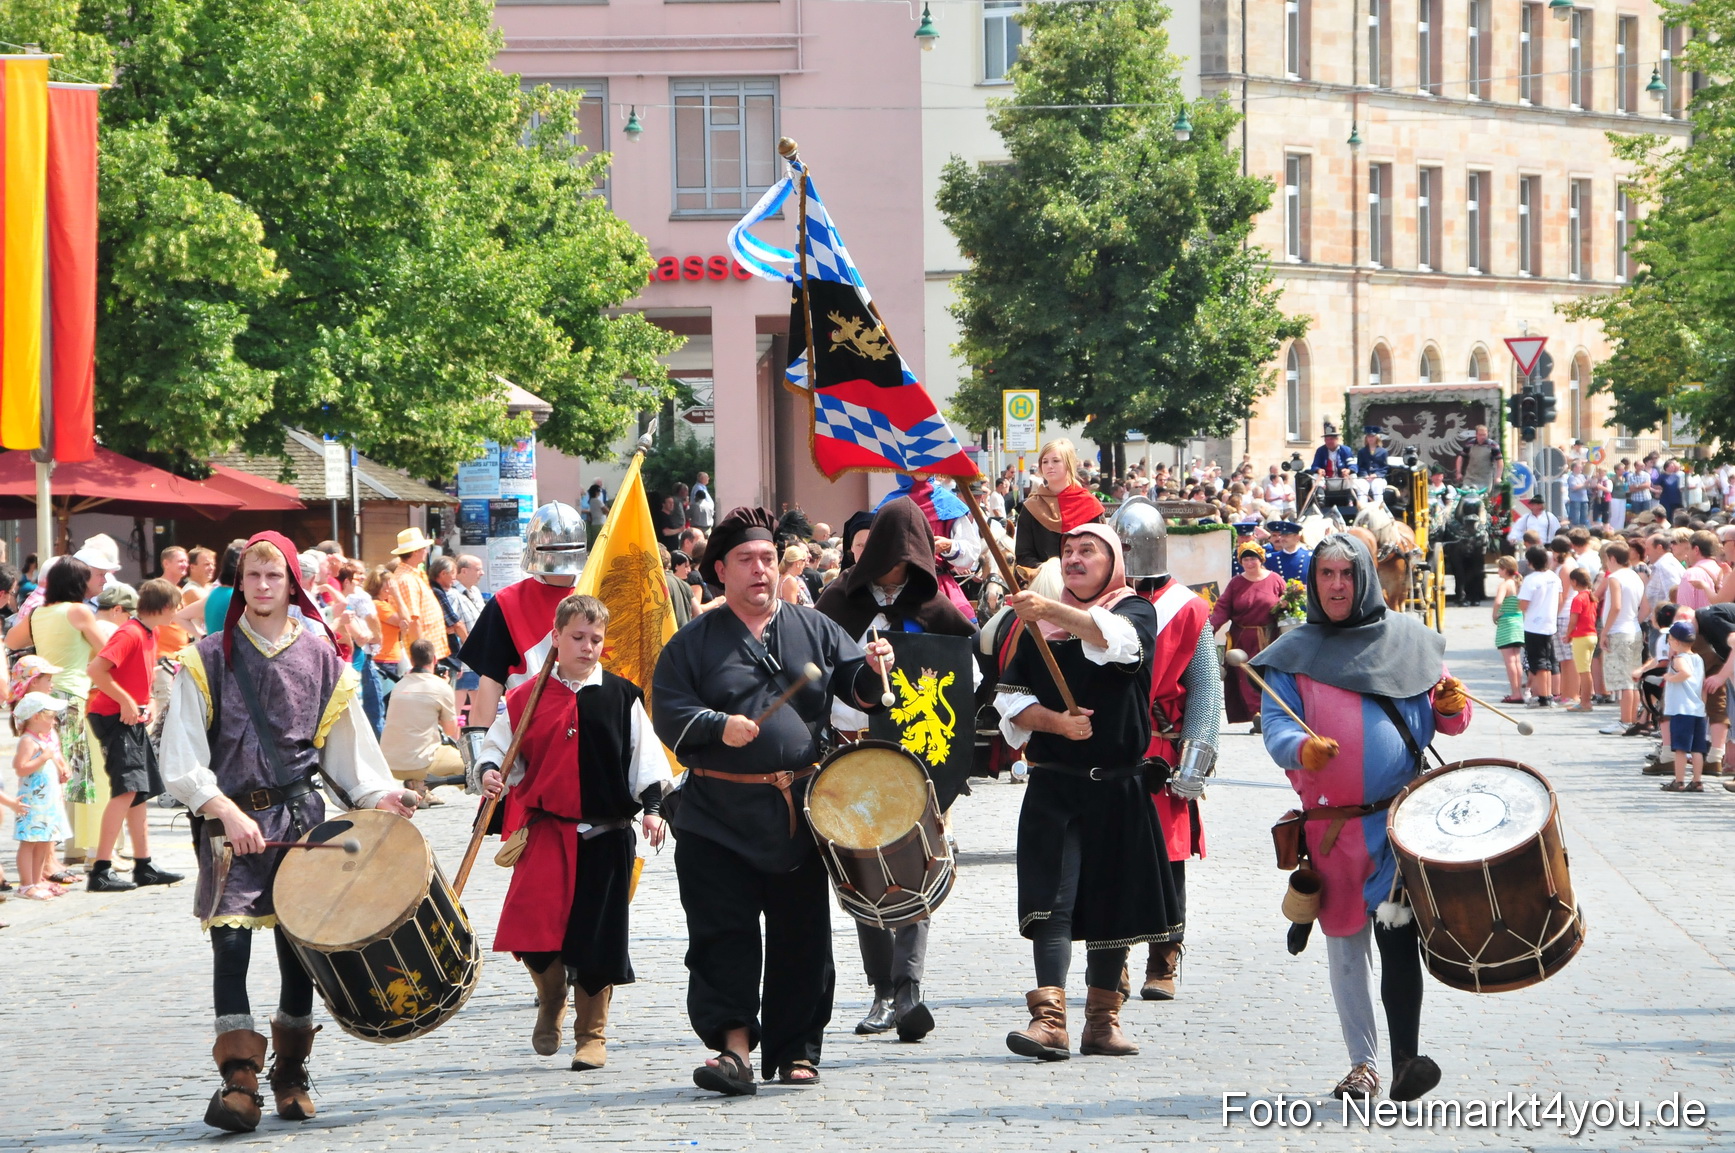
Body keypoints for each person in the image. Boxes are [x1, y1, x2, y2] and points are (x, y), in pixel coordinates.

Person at [159, 532, 418, 1133]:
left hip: (301, 820)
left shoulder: (321, 655)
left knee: (298, 947)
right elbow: (183, 755)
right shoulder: (207, 657)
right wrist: (221, 807)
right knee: (231, 944)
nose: (263, 587)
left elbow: (347, 749)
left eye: (273, 576)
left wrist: (381, 793)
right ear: (239, 582)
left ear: (291, 581)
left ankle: (291, 1074)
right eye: (252, 576)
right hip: (232, 823)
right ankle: (239, 1080)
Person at [651, 505, 894, 1095]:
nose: (760, 570)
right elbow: (669, 711)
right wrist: (716, 725)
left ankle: (795, 1051)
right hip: (716, 818)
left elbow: (855, 691)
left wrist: (873, 670)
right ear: (721, 570)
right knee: (722, 937)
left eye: (766, 558)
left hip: (798, 818)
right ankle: (732, 1050)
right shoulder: (693, 642)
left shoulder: (812, 627)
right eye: (746, 560)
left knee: (801, 938)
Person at [1252, 534, 1470, 1102]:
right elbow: (1277, 728)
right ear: (1314, 580)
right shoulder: (1293, 653)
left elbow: (1449, 718)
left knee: (1397, 937)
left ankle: (1404, 1062)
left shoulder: (1413, 643)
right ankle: (1362, 1065)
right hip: (1333, 832)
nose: (1337, 585)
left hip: (1398, 822)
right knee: (1346, 946)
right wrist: (1302, 750)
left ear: (1366, 578)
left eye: (1347, 574)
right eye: (1326, 574)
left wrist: (1453, 707)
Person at [994, 524, 1181, 1062]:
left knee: (1114, 903)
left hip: (1117, 787)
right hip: (1055, 785)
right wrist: (1054, 721)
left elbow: (1117, 642)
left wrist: (1049, 613)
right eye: (1067, 551)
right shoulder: (1039, 628)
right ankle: (1048, 1020)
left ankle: (1102, 1021)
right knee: (1052, 898)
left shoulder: (1134, 610)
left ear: (1113, 560)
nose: (1074, 559)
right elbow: (1010, 700)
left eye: (1087, 551)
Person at [478, 593, 674, 1070]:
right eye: (578, 637)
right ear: (556, 638)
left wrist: (652, 809)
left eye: (596, 639)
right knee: (532, 931)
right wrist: (489, 772)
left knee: (597, 938)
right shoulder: (525, 697)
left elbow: (646, 761)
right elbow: (499, 750)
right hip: (546, 831)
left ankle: (592, 1034)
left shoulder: (621, 696)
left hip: (606, 836)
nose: (588, 647)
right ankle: (550, 998)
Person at [813, 496, 977, 1042]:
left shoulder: (936, 606)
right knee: (865, 870)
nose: (898, 571)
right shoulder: (836, 602)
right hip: (853, 749)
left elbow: (965, 669)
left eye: (910, 561)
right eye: (893, 558)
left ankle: (909, 989)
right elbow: (816, 673)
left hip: (917, 757)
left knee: (917, 865)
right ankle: (882, 989)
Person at [1109, 496, 1222, 1003]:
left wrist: (1195, 761)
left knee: (1166, 860)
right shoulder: (1098, 603)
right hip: (1109, 746)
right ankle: (1113, 958)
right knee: (1109, 857)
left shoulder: (1189, 608)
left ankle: (1165, 954)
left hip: (1159, 749)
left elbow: (1205, 691)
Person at [457, 503, 588, 770]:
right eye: (551, 547)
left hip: (592, 739)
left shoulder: (600, 592)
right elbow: (490, 686)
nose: (558, 555)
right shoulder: (506, 604)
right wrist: (481, 761)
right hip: (529, 744)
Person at [84, 579, 185, 893]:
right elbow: (96, 670)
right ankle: (101, 869)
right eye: (175, 608)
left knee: (138, 790)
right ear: (165, 607)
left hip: (130, 714)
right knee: (127, 789)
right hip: (113, 716)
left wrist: (149, 700)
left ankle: (144, 865)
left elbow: (146, 672)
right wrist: (127, 701)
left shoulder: (149, 632)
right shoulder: (129, 632)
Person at [12, 557, 108, 870]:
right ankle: (51, 861)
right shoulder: (78, 611)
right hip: (70, 697)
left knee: (51, 776)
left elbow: (12, 640)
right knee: (63, 778)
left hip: (43, 695)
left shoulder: (39, 613)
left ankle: (51, 858)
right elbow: (106, 649)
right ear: (76, 584)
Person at [1211, 541, 1285, 731]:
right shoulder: (1236, 583)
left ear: (1261, 559)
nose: (1249, 562)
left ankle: (1269, 713)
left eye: (1253, 558)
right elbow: (1222, 608)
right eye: (1245, 559)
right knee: (1245, 676)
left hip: (1269, 638)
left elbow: (1290, 604)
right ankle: (1256, 714)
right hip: (1242, 638)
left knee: (1267, 675)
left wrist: (1289, 608)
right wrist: (1209, 628)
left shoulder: (1275, 579)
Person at [379, 639, 462, 806]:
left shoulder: (400, 685)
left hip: (390, 762)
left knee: (418, 740)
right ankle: (421, 784)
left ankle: (420, 789)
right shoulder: (440, 687)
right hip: (418, 762)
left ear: (411, 660)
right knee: (465, 765)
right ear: (435, 660)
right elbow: (451, 730)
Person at [11, 693, 74, 900]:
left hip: (47, 801)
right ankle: (26, 884)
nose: (54, 722)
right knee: (29, 842)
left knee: (42, 841)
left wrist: (62, 771)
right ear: (36, 717)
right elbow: (20, 768)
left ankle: (37, 881)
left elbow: (52, 761)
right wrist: (44, 758)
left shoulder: (44, 739)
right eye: (51, 717)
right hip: (32, 802)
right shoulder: (28, 741)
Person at [1014, 438, 1106, 577]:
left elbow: (1101, 552)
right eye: (1045, 462)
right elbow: (1023, 554)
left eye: (1056, 461)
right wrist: (1048, 573)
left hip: (1085, 583)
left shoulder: (1090, 505)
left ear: (1068, 464)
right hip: (1042, 584)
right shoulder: (1031, 507)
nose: (1049, 466)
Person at [1598, 541, 1647, 737]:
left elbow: (1615, 606)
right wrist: (1635, 621)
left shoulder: (1615, 578)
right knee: (1632, 678)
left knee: (1624, 681)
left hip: (1619, 631)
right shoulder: (1636, 575)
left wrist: (1604, 631)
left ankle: (1625, 721)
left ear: (1612, 558)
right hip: (1633, 629)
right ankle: (1631, 720)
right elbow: (1646, 607)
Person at [385, 528, 448, 676]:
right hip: (422, 656)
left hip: (426, 653)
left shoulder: (412, 575)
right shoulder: (407, 579)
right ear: (415, 552)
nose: (426, 551)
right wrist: (423, 659)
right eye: (424, 548)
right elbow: (413, 621)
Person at [1660, 620, 1709, 792]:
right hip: (1697, 709)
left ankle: (1679, 781)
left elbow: (1685, 673)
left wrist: (1670, 678)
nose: (1668, 642)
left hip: (1681, 709)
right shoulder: (1698, 659)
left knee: (1680, 748)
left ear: (1677, 642)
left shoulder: (1678, 659)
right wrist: (1703, 705)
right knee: (1697, 749)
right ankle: (1697, 781)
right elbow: (1701, 684)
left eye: (1670, 639)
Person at [1517, 545, 1561, 707]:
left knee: (1538, 661)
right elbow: (1560, 599)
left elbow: (1523, 604)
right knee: (1548, 660)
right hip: (1549, 622)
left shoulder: (1531, 580)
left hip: (1534, 624)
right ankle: (1548, 693)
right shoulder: (1554, 577)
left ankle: (1543, 696)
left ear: (1530, 562)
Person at [1491, 556, 1526, 703]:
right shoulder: (1519, 583)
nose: (1498, 571)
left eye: (1500, 568)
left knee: (1509, 661)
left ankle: (1515, 693)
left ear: (1505, 570)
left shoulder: (1505, 585)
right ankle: (1519, 691)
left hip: (1506, 623)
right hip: (1518, 622)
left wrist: (1495, 615)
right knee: (1517, 660)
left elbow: (1499, 601)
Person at [1566, 569, 1598, 712]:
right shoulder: (1591, 596)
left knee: (1583, 671)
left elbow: (1573, 620)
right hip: (1592, 634)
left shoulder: (1578, 598)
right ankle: (1586, 700)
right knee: (1587, 669)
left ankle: (1585, 702)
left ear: (1574, 581)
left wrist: (1568, 634)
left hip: (1581, 636)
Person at [1308, 422, 1357, 514]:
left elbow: (1353, 465)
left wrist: (1348, 470)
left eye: (1331, 439)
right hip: (1327, 482)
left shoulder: (1346, 450)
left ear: (1337, 439)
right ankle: (1321, 500)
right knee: (1315, 476)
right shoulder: (1320, 451)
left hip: (1342, 480)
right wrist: (1319, 470)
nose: (1329, 442)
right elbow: (1314, 466)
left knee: (1353, 476)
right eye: (1326, 439)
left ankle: (1350, 500)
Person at [1454, 425, 1503, 492]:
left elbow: (1500, 461)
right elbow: (1461, 457)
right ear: (1476, 434)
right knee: (1465, 495)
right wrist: (1458, 472)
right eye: (1480, 435)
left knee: (1483, 499)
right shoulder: (1470, 444)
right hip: (1470, 478)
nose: (1483, 437)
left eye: (1484, 435)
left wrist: (1498, 477)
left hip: (1485, 479)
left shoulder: (1493, 445)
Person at [1355, 429, 1390, 504]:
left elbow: (1385, 467)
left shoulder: (1383, 452)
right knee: (1361, 487)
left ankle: (1379, 508)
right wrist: (1365, 475)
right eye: (1368, 436)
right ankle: (1363, 509)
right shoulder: (1361, 452)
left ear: (1377, 437)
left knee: (1377, 486)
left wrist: (1376, 474)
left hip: (1378, 478)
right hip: (1365, 478)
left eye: (1372, 436)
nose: (1370, 438)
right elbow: (1360, 466)